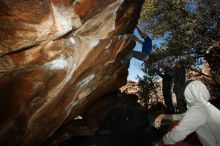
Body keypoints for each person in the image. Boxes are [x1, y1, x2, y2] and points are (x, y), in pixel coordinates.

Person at [154, 80, 220, 146]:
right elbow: (182, 117)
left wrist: (160, 143)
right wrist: (162, 116)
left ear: (189, 93)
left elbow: (177, 134)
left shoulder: (198, 110)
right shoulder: (205, 106)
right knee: (175, 123)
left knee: (172, 143)